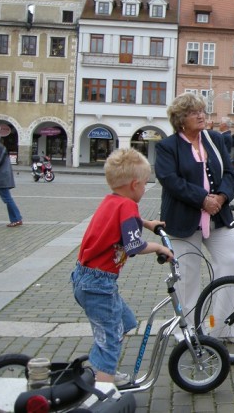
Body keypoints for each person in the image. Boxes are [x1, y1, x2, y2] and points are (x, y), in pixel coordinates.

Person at [70, 148, 174, 387]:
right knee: (109, 339)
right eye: (145, 184)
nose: (145, 189)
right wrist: (159, 248)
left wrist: (148, 223)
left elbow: (124, 223)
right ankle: (102, 389)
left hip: (86, 278)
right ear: (135, 184)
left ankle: (104, 372)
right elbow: (134, 245)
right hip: (99, 283)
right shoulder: (128, 207)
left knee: (125, 322)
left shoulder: (112, 201)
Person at [154, 93, 234, 343]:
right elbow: (170, 180)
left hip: (218, 216)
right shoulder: (167, 146)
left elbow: (229, 173)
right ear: (181, 119)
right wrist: (203, 198)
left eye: (203, 111)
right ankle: (189, 329)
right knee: (188, 274)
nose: (201, 115)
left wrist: (221, 198)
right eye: (195, 112)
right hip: (183, 220)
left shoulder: (214, 139)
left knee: (231, 263)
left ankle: (224, 326)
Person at [0, 130, 23, 227]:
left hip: (0, 180)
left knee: (7, 199)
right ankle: (17, 219)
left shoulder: (0, 149)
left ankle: (17, 219)